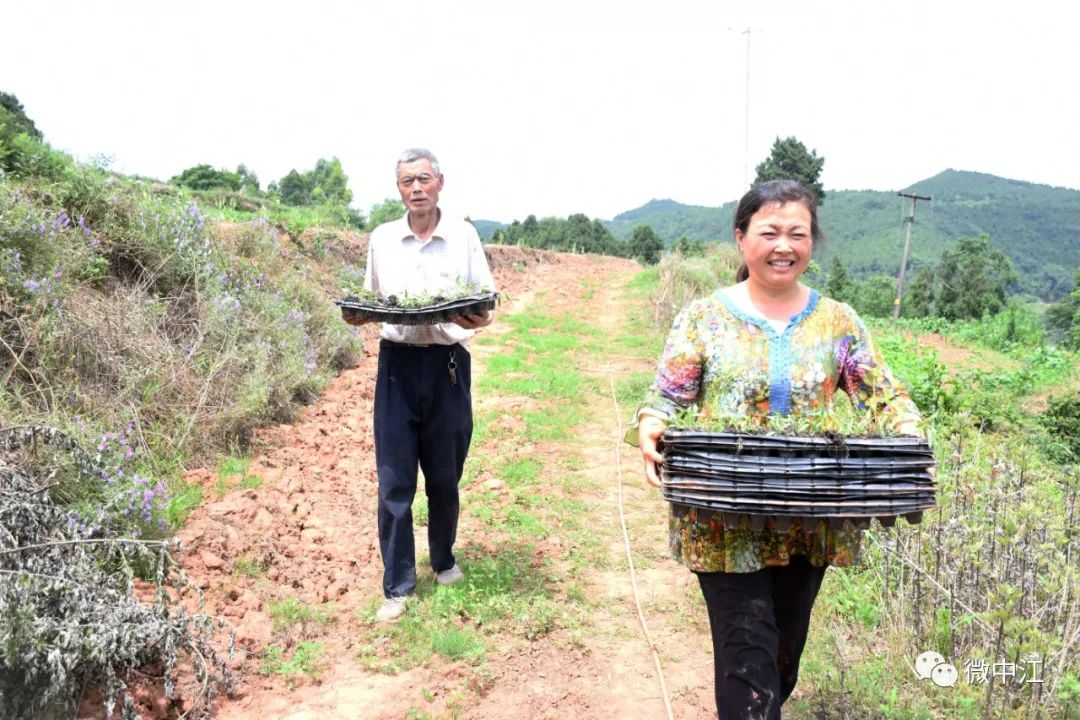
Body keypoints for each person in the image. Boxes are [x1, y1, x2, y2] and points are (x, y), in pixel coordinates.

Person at [633, 179, 925, 719]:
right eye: (769, 232)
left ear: (813, 242)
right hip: (723, 517)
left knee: (783, 657)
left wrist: (908, 431)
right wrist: (652, 422)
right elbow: (668, 392)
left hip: (809, 519)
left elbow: (881, 393)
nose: (783, 245)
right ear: (742, 238)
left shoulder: (838, 321)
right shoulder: (704, 317)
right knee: (747, 657)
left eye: (798, 233)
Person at [342, 148, 496, 623]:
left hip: (448, 364)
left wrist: (477, 316)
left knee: (445, 475)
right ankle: (399, 584)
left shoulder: (463, 236)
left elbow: (485, 305)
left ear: (440, 183)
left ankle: (443, 559)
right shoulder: (383, 239)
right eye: (407, 181)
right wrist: (359, 314)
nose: (416, 189)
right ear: (399, 189)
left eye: (424, 179)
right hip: (397, 367)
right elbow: (373, 300)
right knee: (394, 480)